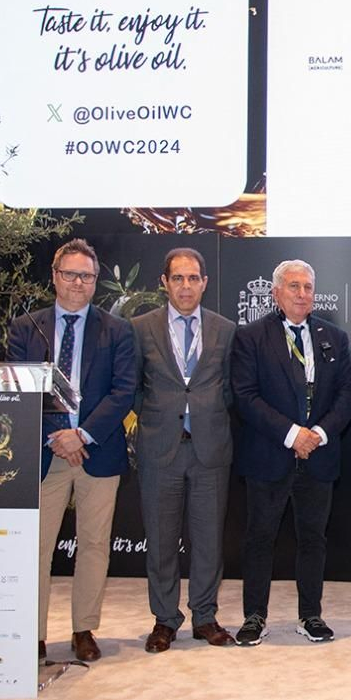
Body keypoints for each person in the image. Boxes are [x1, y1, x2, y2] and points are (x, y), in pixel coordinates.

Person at [6, 238, 137, 663]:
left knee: (94, 544)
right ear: (54, 276)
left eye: (87, 275)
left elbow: (123, 393)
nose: (78, 282)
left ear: (96, 281)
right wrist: (58, 435)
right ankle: (34, 635)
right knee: (37, 547)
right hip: (45, 453)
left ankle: (84, 629)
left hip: (97, 451)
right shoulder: (27, 328)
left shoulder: (117, 330)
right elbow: (18, 389)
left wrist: (80, 435)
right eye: (70, 274)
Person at [229, 259, 351, 647]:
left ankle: (311, 614)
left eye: (308, 288)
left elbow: (346, 395)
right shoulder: (250, 336)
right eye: (294, 287)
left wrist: (316, 433)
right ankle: (255, 615)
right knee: (260, 538)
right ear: (276, 293)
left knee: (313, 538)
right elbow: (245, 396)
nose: (302, 294)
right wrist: (291, 434)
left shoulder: (334, 336)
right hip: (269, 454)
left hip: (318, 455)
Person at [131, 247, 237, 652]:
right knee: (160, 540)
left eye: (194, 278)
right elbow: (135, 389)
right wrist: (162, 419)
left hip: (210, 449)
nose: (186, 285)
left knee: (209, 539)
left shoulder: (224, 329)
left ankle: (205, 617)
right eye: (178, 278)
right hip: (161, 448)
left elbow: (228, 389)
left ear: (205, 283)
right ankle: (165, 620)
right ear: (164, 282)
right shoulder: (140, 328)